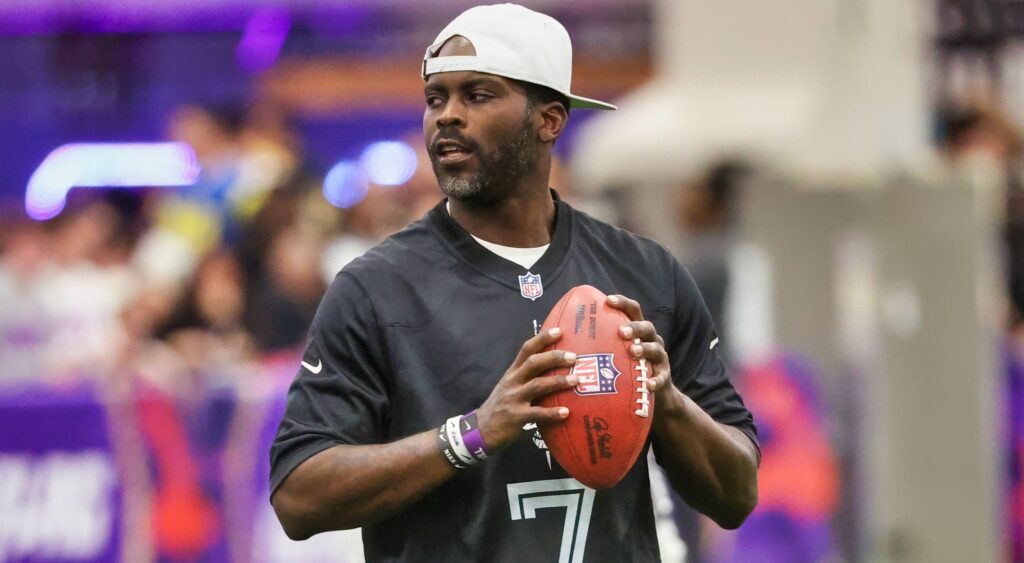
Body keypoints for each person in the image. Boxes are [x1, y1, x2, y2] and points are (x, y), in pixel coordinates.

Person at [269, 5, 759, 561]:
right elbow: (298, 495)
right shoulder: (375, 288)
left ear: (549, 119)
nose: (447, 117)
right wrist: (472, 433)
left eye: (477, 95)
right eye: (436, 99)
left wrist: (665, 401)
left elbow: (737, 494)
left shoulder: (646, 274)